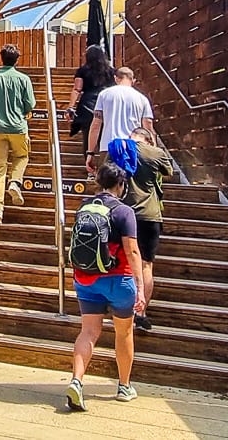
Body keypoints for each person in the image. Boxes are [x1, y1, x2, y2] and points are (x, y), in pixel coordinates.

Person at [67, 161, 142, 410]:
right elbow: (132, 250)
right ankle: (124, 386)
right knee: (124, 332)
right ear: (121, 185)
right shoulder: (124, 211)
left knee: (88, 331)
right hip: (118, 280)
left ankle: (77, 381)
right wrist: (140, 288)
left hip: (86, 279)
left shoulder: (84, 206)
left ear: (98, 182)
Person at [120, 126, 175, 331]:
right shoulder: (156, 153)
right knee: (145, 265)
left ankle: (120, 308)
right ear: (148, 140)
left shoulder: (118, 148)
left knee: (122, 259)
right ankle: (140, 312)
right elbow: (168, 172)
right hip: (150, 214)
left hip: (123, 212)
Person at [0, 43, 35, 224]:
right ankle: (15, 182)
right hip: (19, 128)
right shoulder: (24, 79)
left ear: (1, 58)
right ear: (17, 59)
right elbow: (30, 105)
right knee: (22, 156)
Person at [90, 66, 154, 170]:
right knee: (132, 182)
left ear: (116, 78)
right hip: (134, 147)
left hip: (108, 146)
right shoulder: (142, 99)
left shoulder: (104, 95)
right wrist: (153, 150)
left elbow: (96, 125)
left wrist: (90, 152)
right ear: (133, 80)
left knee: (108, 183)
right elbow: (148, 126)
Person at [65, 45, 113, 145]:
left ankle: (88, 157)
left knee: (87, 136)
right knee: (107, 136)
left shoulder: (82, 71)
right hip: (107, 104)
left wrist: (70, 107)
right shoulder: (111, 71)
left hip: (87, 105)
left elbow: (77, 89)